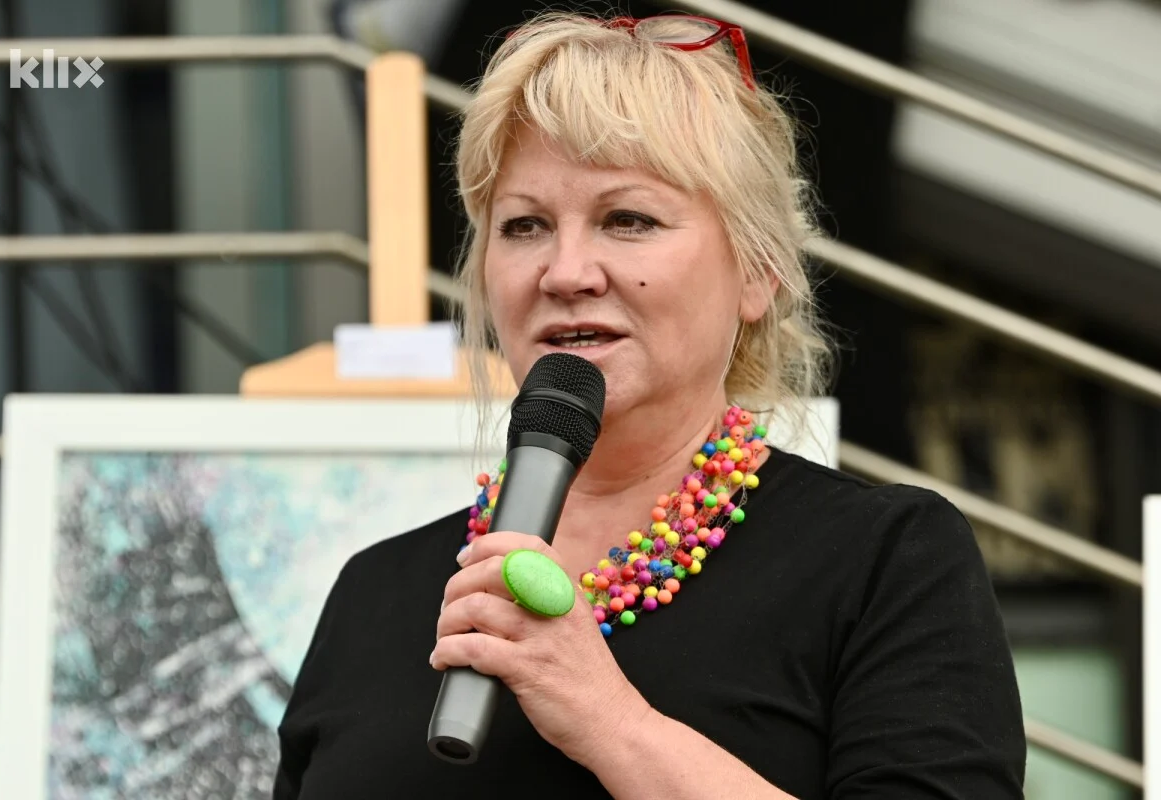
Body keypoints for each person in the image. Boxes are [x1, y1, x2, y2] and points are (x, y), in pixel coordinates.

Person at [274, 11, 1026, 799]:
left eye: (627, 219)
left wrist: (610, 720)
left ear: (757, 272)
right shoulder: (374, 590)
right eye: (524, 225)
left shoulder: (885, 563)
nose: (566, 272)